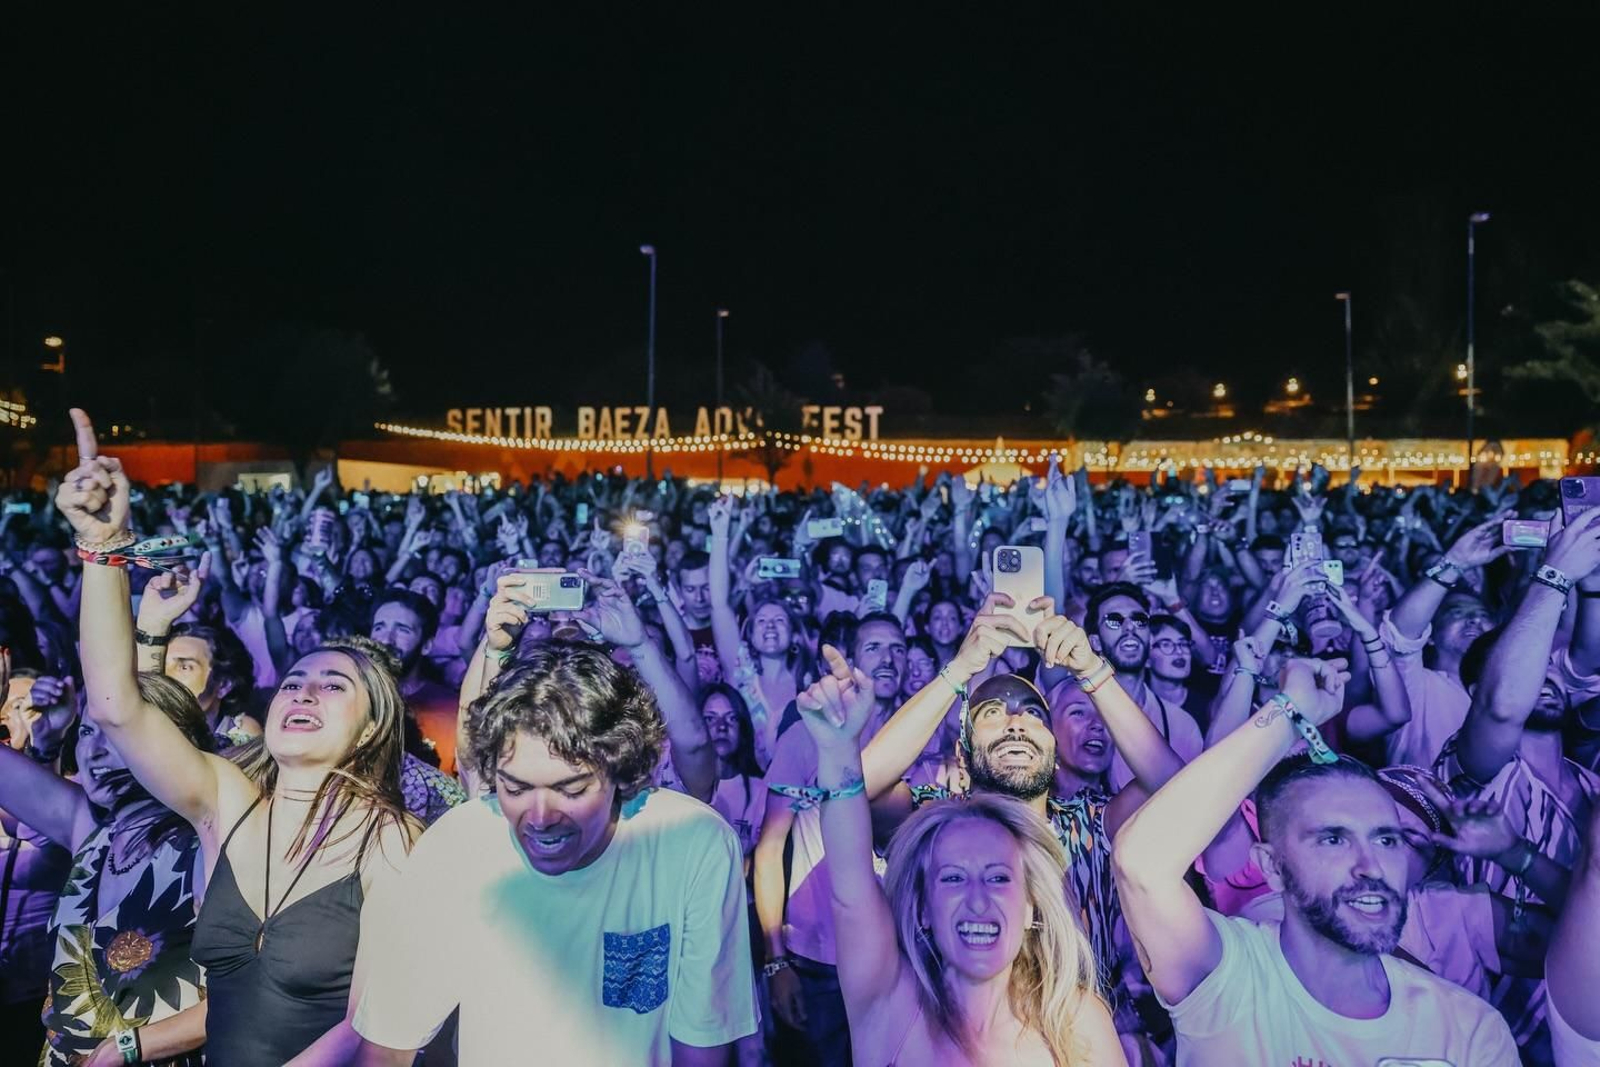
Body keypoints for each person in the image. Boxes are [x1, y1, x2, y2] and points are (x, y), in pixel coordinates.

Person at [58, 408, 416, 1066]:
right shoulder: (228, 800)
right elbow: (114, 706)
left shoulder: (391, 839)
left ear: (373, 726)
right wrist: (104, 549)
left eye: (333, 685)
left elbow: (378, 1037)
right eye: (294, 681)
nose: (303, 690)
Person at [350, 642, 757, 1065]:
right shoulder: (459, 844)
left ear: (621, 770)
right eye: (516, 788)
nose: (541, 817)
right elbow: (387, 1046)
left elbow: (702, 1047)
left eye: (571, 789)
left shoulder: (693, 842)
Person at [1112, 657, 1518, 1063]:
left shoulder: (1470, 1028)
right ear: (1271, 866)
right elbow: (1141, 863)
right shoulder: (1226, 976)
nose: (1370, 866)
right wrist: (1290, 709)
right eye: (1333, 839)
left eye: (1387, 840)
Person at [788, 645, 1124, 1064]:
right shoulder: (889, 1004)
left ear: (1032, 905)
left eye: (1000, 878)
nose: (978, 900)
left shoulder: (1077, 1021)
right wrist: (838, 752)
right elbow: (851, 891)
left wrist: (1092, 667)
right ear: (923, 906)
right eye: (952, 878)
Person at [0, 654, 211, 1067]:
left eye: (114, 736)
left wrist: (131, 1047)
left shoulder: (208, 839)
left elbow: (251, 992)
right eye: (85, 733)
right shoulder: (91, 833)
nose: (93, 753)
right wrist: (50, 732)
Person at [753, 612, 906, 1066]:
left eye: (897, 648)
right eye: (874, 648)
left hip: (901, 956)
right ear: (853, 658)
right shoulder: (809, 733)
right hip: (818, 959)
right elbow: (768, 851)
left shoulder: (927, 733)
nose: (887, 658)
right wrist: (776, 961)